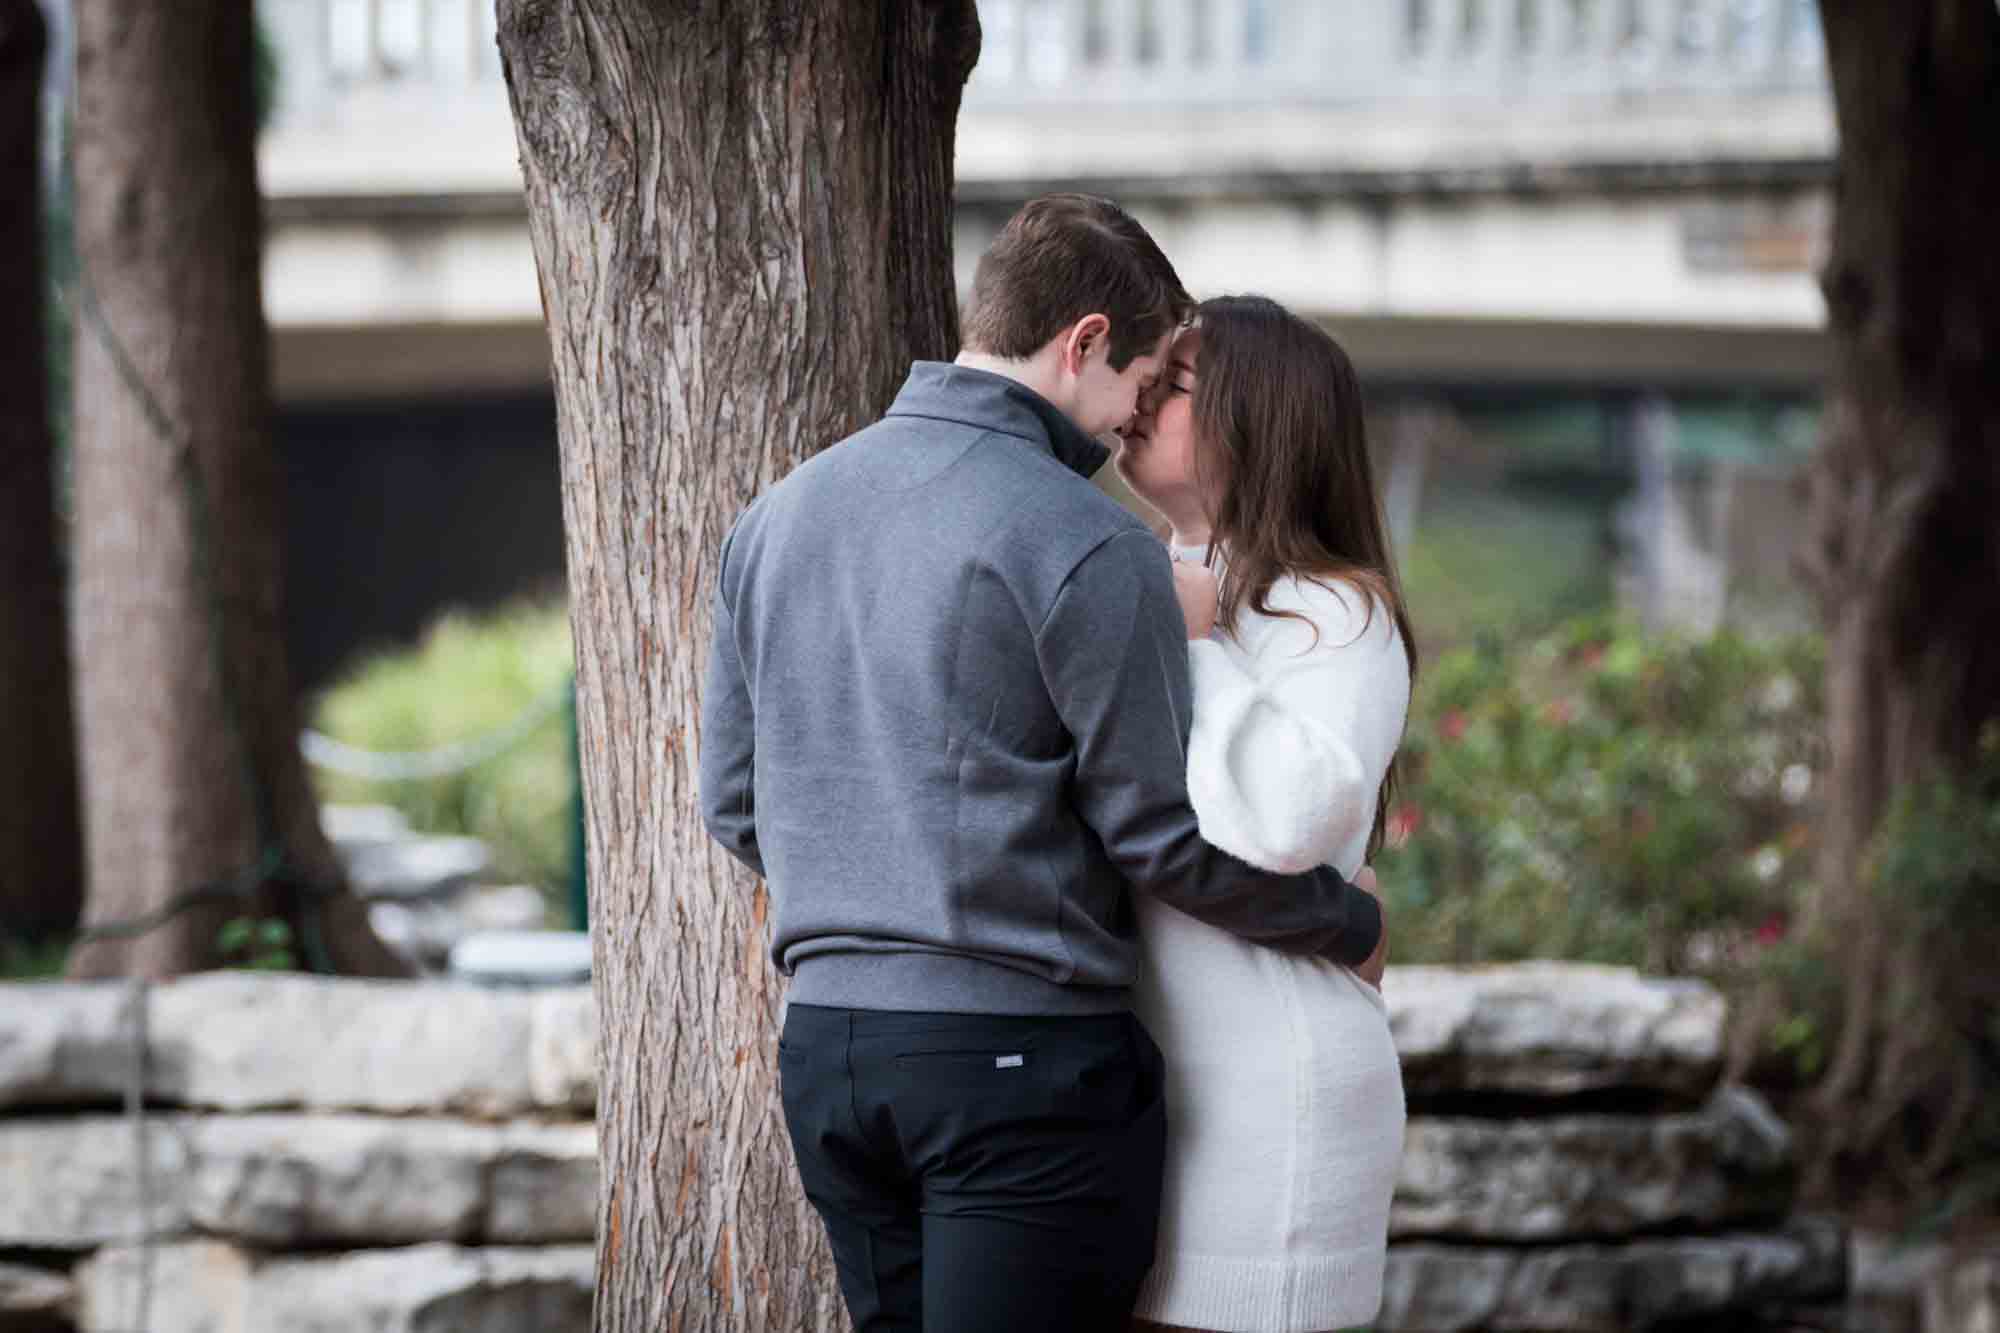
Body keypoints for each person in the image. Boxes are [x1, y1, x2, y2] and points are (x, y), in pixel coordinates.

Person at [697, 197, 1387, 1333]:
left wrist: (878, 885)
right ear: (1083, 344)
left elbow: (731, 797)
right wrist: (1346, 923)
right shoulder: (1088, 540)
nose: (1129, 420)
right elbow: (1156, 838)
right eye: (1145, 376)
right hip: (1020, 1065)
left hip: (827, 1056)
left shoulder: (776, 517)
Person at [1116, 295, 1416, 1333]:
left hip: (1269, 1108)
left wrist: (1197, 646)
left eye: (1175, 384)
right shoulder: (1143, 579)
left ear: (1262, 420)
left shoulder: (1332, 610)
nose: (1138, 396)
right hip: (1153, 1098)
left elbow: (1290, 818)